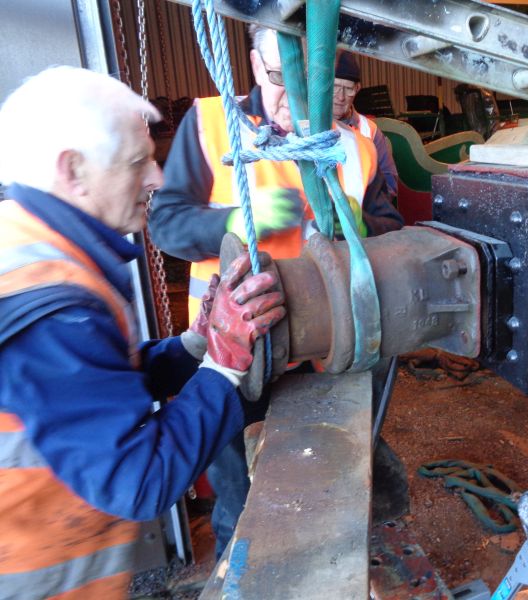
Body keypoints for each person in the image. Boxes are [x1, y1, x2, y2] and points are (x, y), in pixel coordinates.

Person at [0, 66, 286, 599]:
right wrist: (223, 367)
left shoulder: (30, 242)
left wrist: (194, 345)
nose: (156, 178)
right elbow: (141, 482)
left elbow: (100, 381)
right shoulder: (51, 306)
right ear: (74, 171)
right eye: (138, 162)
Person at [149, 26, 404, 558]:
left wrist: (358, 230)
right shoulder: (214, 124)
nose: (299, 97)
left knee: (330, 484)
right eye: (278, 76)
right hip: (235, 352)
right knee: (240, 507)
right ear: (252, 63)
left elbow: (390, 229)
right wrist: (238, 221)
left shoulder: (362, 143)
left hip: (333, 353)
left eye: (314, 81)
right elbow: (167, 223)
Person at [333, 52, 399, 198]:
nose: (341, 97)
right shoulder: (305, 127)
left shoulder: (370, 131)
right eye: (335, 86)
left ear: (357, 89)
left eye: (348, 88)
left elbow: (390, 185)